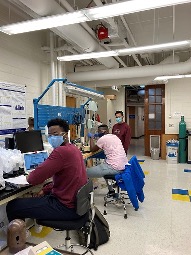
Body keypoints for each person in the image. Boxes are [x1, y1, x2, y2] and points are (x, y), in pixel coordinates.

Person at [6, 118, 87, 222]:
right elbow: (66, 179)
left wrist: (27, 176)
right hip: (76, 203)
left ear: (65, 135)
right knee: (43, 191)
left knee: (13, 206)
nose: (52, 137)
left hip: (66, 207)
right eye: (49, 135)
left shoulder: (60, 152)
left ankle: (18, 235)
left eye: (55, 134)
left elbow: (34, 179)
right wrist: (45, 189)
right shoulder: (73, 148)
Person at [87, 124, 129, 193]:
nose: (98, 133)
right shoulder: (114, 136)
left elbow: (92, 149)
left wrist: (91, 137)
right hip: (123, 166)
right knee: (104, 164)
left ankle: (86, 195)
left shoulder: (103, 139)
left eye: (98, 131)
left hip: (114, 168)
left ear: (103, 131)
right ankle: (111, 190)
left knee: (85, 173)